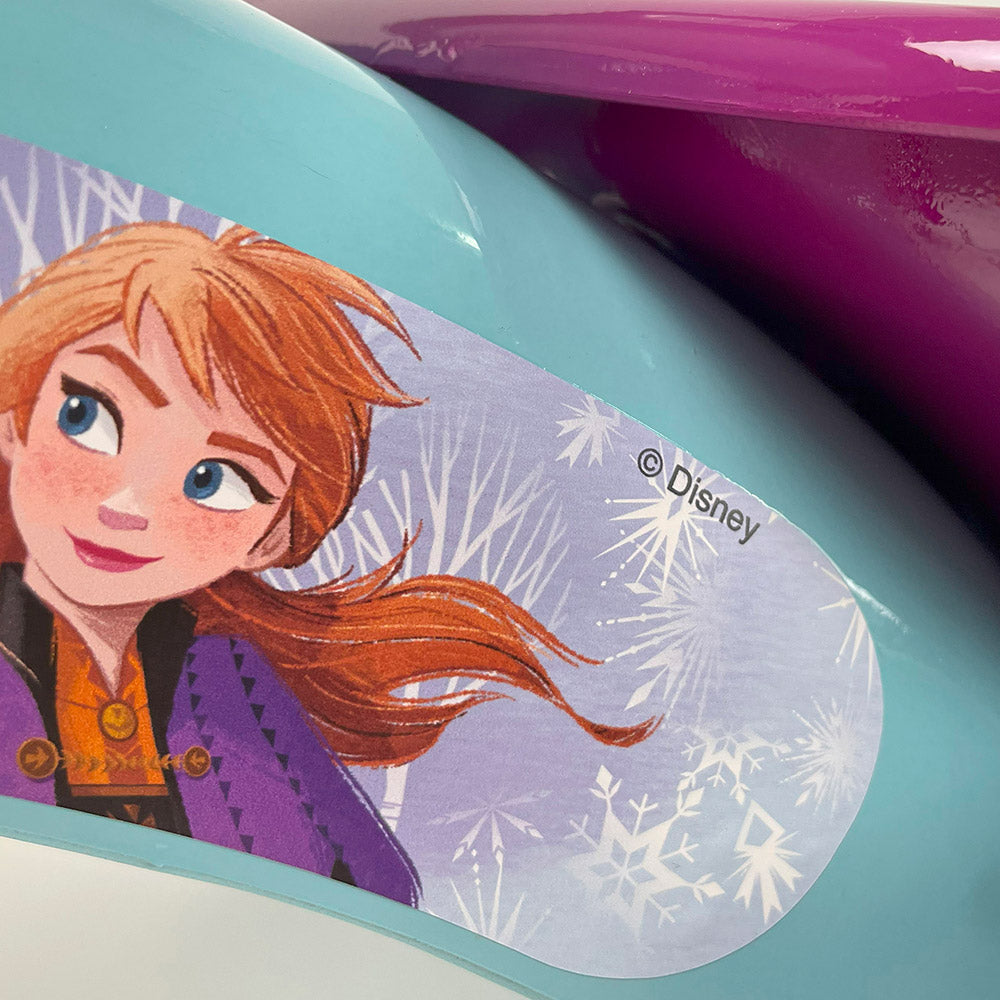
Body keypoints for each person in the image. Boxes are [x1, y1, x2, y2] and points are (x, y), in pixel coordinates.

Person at [0, 221, 655, 907]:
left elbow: (380, 891)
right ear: (18, 413)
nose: (127, 506)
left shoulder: (230, 681)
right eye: (87, 416)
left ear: (269, 538)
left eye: (212, 481)